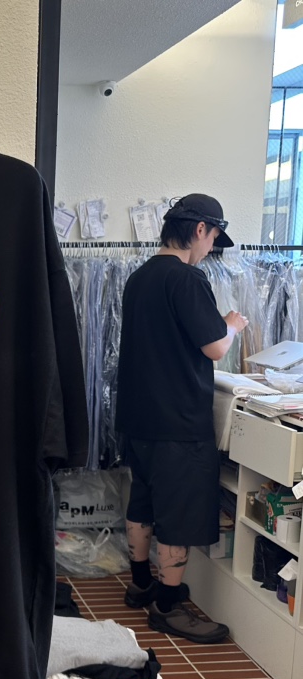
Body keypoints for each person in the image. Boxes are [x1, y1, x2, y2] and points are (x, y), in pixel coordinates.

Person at [116, 194, 249, 644]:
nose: (210, 250)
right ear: (200, 230)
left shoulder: (139, 277)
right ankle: (168, 607)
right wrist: (231, 324)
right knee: (177, 512)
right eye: (212, 239)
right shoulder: (186, 279)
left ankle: (140, 584)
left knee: (143, 501)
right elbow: (215, 347)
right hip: (178, 419)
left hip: (139, 416)